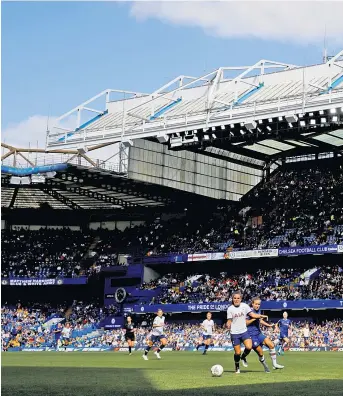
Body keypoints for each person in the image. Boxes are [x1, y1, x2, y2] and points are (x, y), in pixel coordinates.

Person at [226, 291, 269, 374]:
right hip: (234, 333)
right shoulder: (230, 309)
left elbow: (252, 315)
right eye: (235, 298)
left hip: (244, 331)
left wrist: (260, 316)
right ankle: (237, 366)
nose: (236, 299)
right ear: (232, 299)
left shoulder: (245, 306)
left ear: (241, 299)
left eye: (238, 298)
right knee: (237, 352)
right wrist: (228, 324)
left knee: (249, 347)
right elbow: (229, 320)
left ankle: (243, 357)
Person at [246, 297, 284, 370]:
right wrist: (254, 318)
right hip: (251, 336)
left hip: (258, 334)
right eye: (256, 304)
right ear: (252, 304)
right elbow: (246, 323)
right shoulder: (249, 312)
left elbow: (260, 320)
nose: (257, 305)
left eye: (259, 304)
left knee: (271, 345)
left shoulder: (259, 311)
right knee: (260, 353)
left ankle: (275, 364)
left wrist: (269, 325)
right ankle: (265, 366)